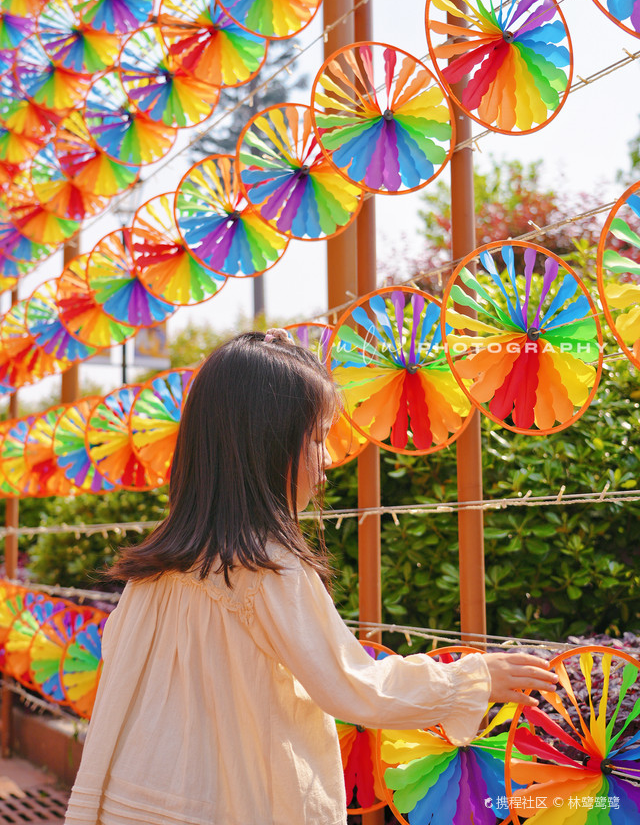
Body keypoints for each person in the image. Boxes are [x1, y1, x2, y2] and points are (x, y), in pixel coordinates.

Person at [65, 330, 557, 825]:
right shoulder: (262, 566)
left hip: (133, 797)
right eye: (318, 439)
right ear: (266, 444)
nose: (326, 462)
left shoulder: (155, 570)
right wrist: (470, 679)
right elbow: (351, 684)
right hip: (231, 804)